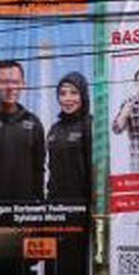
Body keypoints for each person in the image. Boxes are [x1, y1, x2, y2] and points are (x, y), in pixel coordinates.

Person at [0, 60, 45, 200]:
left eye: (15, 82)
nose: (10, 87)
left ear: (23, 85)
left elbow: (39, 169)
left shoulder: (33, 123)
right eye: (4, 82)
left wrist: (38, 203)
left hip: (24, 210)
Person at [46, 72, 92, 202]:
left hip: (83, 204)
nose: (68, 98)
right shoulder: (54, 129)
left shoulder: (90, 125)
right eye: (62, 94)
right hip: (56, 206)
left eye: (73, 93)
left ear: (83, 95)